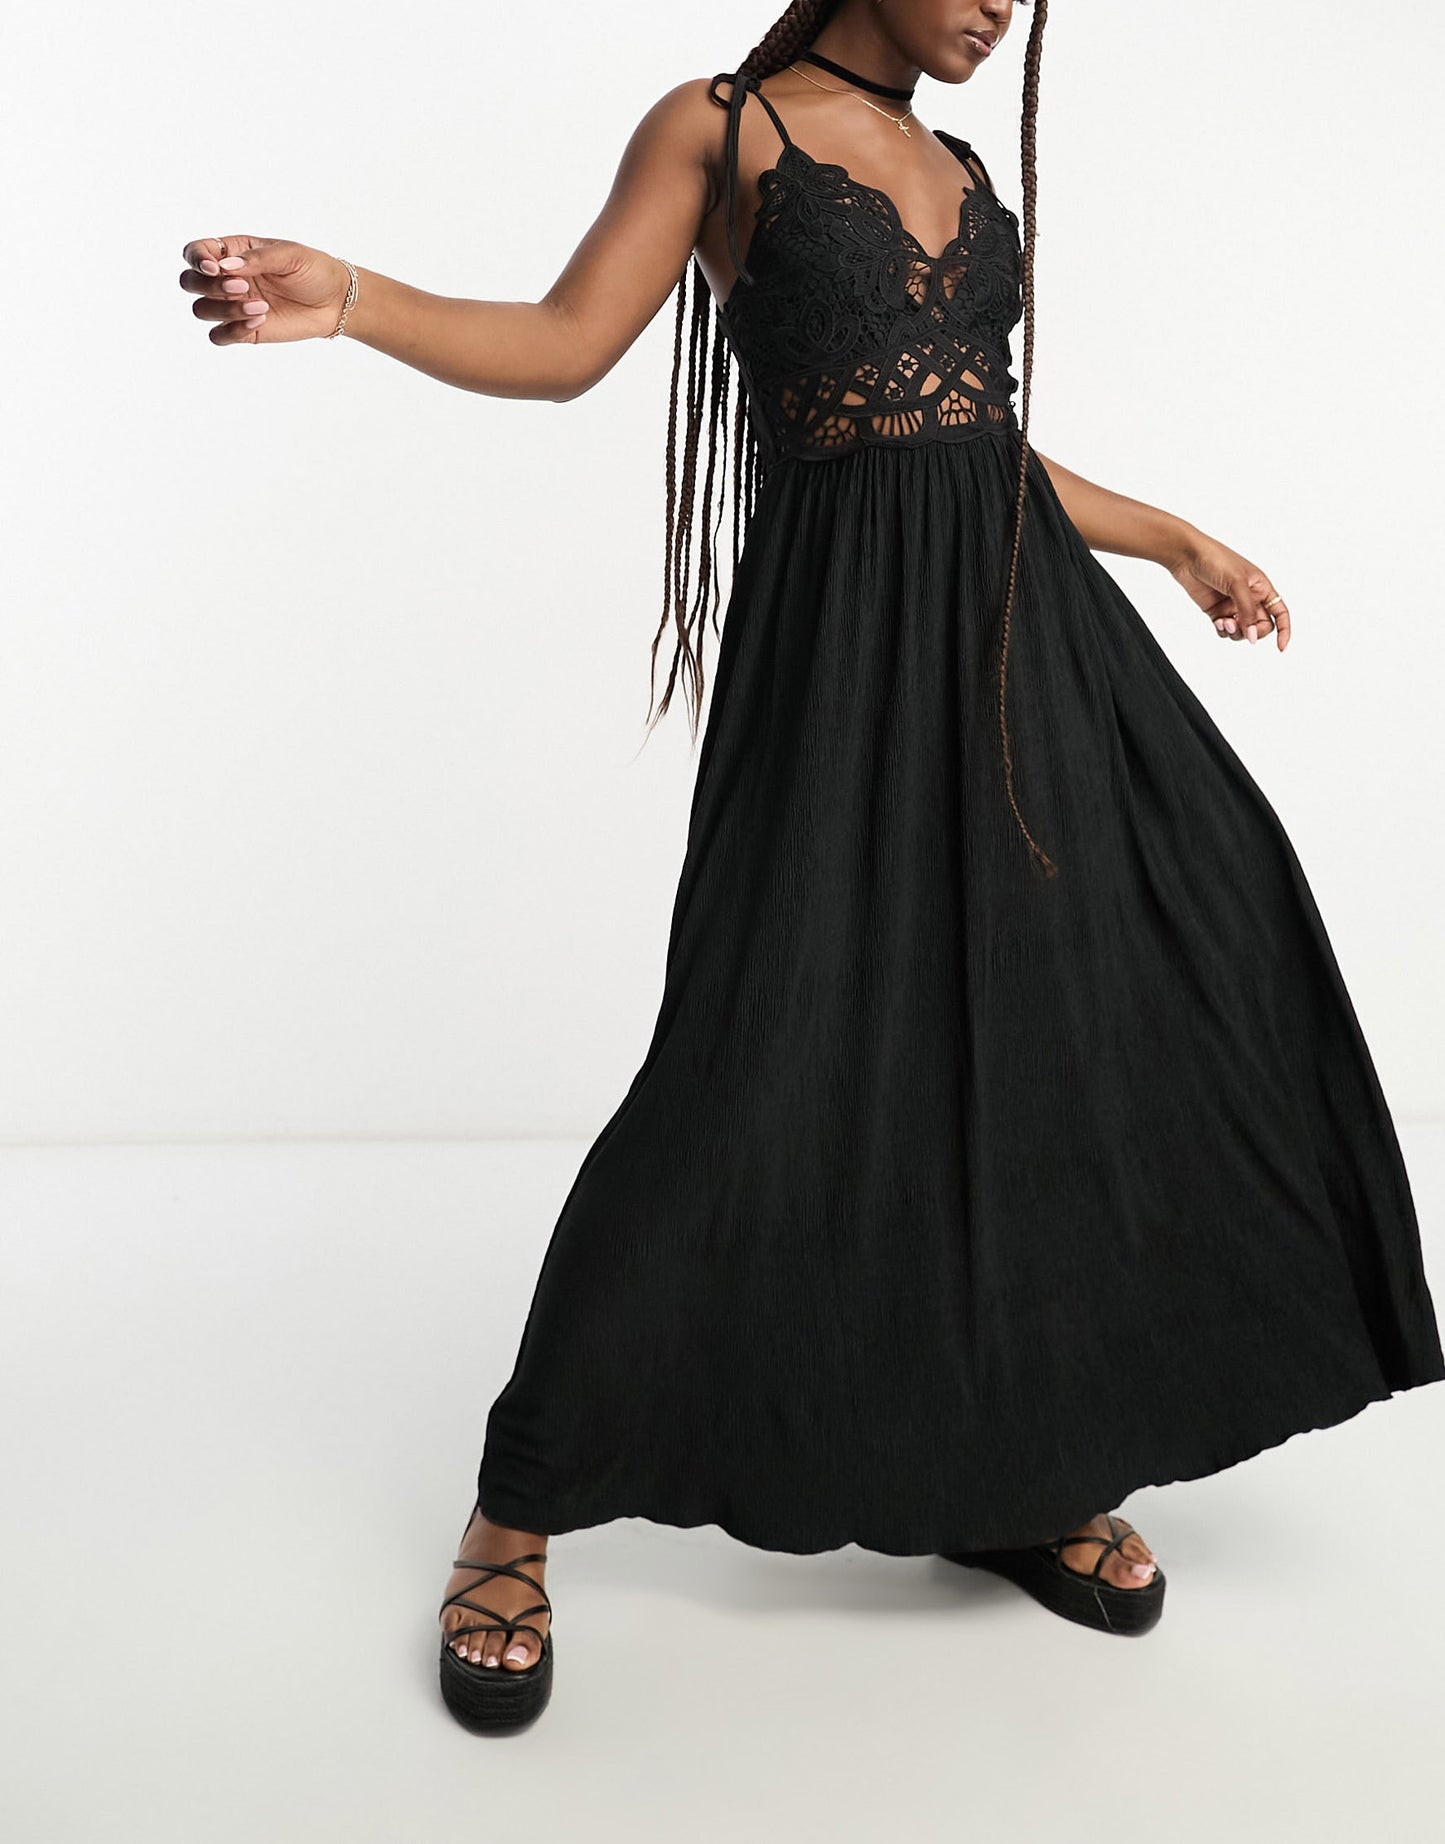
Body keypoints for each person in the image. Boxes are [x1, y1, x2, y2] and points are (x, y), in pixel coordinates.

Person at [180, 0, 1445, 1734]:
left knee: (1089, 1011)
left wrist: (1171, 539)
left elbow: (968, 434)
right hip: (843, 661)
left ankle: (1016, 1468)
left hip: (1024, 650)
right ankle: (516, 1508)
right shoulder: (722, 126)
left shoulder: (957, 163)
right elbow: (562, 342)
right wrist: (355, 297)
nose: (1000, 6)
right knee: (747, 1055)